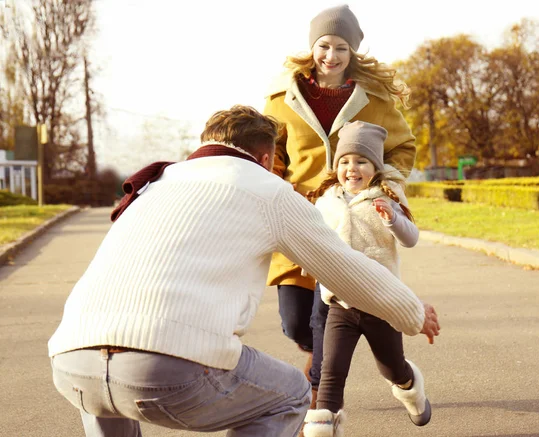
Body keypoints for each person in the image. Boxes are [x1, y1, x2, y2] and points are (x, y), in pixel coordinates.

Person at [48, 105, 439, 437]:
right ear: (268, 158)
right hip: (166, 369)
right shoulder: (268, 190)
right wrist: (413, 313)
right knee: (291, 394)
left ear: (205, 144)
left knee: (105, 395)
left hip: (71, 362)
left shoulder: (156, 182)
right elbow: (348, 271)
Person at [263, 3, 418, 402]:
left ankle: (320, 401)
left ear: (353, 53)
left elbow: (402, 146)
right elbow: (272, 154)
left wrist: (386, 185)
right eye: (325, 46)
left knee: (325, 314)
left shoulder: (376, 99)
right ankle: (321, 358)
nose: (331, 57)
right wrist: (272, 188)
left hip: (349, 222)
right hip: (298, 217)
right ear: (312, 47)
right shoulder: (281, 99)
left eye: (342, 49)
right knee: (295, 323)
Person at [301, 120, 436, 436]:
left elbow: (411, 238)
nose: (352, 168)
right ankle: (324, 428)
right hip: (340, 305)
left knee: (392, 368)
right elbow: (313, 240)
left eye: (361, 161)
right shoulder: (327, 201)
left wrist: (392, 219)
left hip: (381, 305)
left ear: (375, 167)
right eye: (344, 161)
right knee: (331, 375)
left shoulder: (385, 197)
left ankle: (410, 386)